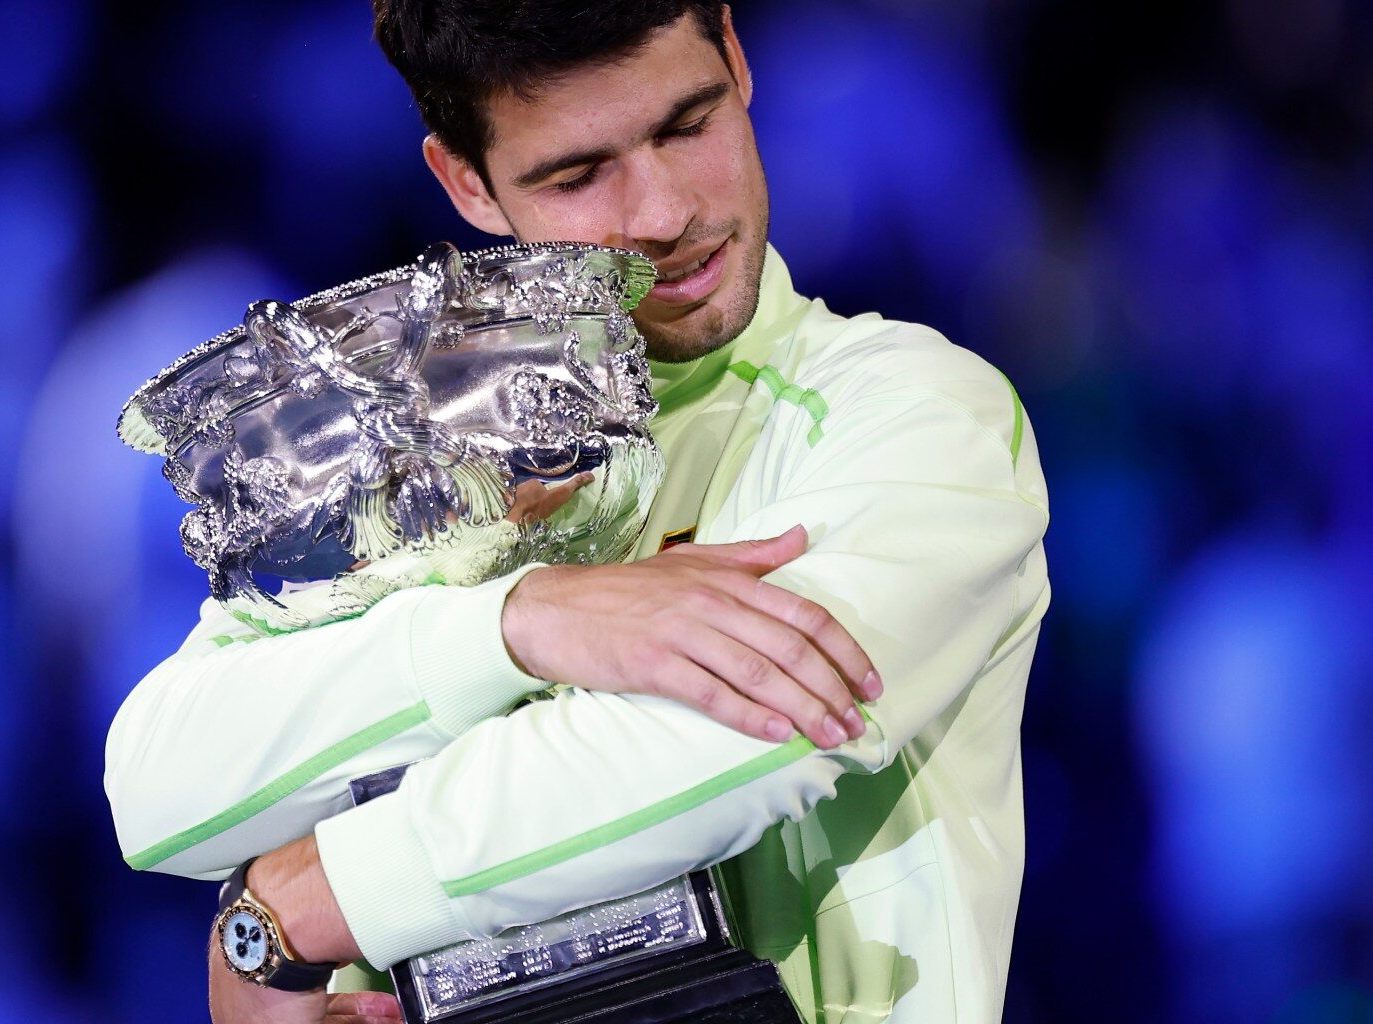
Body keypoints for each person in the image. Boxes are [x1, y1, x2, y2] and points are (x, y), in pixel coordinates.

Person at [103, 3, 1050, 1021]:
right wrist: (517, 623)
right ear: (465, 180)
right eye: (578, 174)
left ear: (736, 58)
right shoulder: (399, 451)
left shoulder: (913, 414)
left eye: (688, 123)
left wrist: (293, 906)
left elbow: (737, 747)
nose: (664, 210)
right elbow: (161, 786)